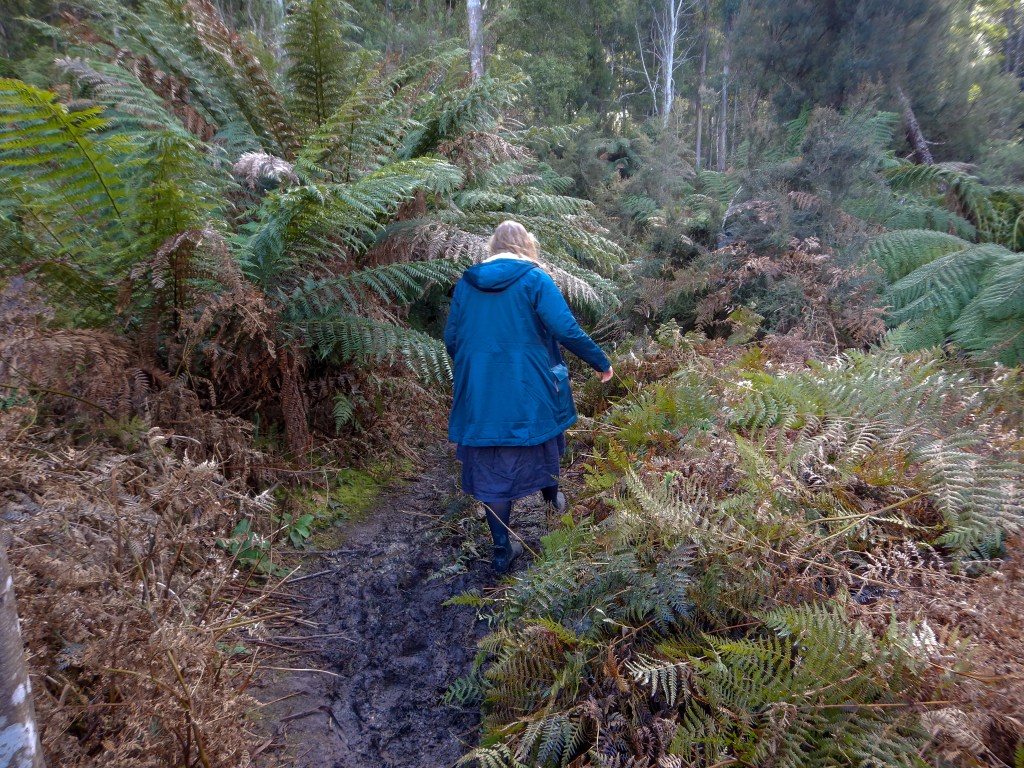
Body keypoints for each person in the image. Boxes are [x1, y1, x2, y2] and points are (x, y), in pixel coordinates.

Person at [444, 221, 614, 573]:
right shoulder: (535, 278)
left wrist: (478, 369)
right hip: (531, 386)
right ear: (527, 246)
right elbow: (565, 328)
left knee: (490, 466)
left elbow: (452, 339)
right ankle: (552, 503)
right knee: (543, 441)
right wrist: (600, 361)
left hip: (480, 392)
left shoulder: (467, 284)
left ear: (493, 247)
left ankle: (502, 549)